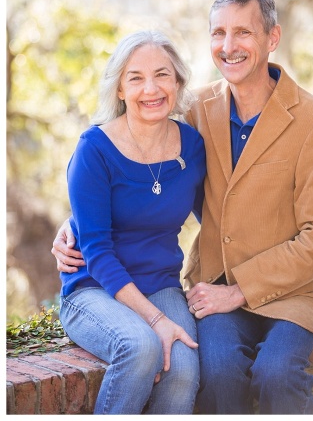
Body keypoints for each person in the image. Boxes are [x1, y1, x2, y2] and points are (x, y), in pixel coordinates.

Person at [55, 0, 313, 414]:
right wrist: (75, 223)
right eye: (218, 33)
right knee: (214, 374)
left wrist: (241, 290)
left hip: (293, 293)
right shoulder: (199, 111)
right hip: (215, 284)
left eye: (243, 33)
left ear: (272, 38)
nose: (228, 47)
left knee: (276, 374)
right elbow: (132, 177)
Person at [58, 30, 206, 414]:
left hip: (160, 284)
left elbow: (221, 217)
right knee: (140, 347)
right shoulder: (95, 149)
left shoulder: (192, 146)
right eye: (135, 78)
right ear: (120, 90)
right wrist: (155, 320)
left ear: (177, 83)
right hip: (94, 289)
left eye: (162, 75)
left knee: (184, 368)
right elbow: (97, 251)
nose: (150, 89)